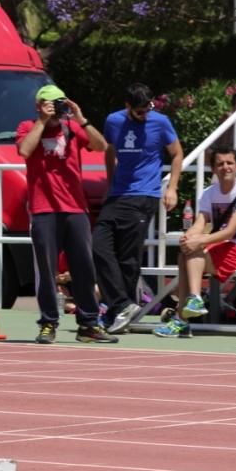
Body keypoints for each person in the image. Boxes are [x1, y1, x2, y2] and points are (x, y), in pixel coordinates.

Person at [16, 85, 118, 344]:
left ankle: (88, 324)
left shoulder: (72, 128)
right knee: (47, 269)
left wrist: (81, 119)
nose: (56, 108)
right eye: (51, 103)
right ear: (39, 105)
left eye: (59, 103)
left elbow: (100, 145)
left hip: (75, 208)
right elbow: (24, 151)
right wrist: (42, 121)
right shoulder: (28, 127)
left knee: (84, 267)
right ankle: (48, 322)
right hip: (43, 209)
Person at [93, 83, 184, 334]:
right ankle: (121, 305)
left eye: (148, 109)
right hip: (118, 194)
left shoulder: (160, 122)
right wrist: (109, 184)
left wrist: (172, 187)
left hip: (144, 195)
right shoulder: (113, 121)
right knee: (98, 246)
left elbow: (176, 154)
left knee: (128, 257)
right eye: (139, 112)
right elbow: (110, 150)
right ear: (127, 107)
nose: (144, 116)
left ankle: (119, 310)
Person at [154, 145, 236, 338]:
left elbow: (229, 232)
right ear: (213, 169)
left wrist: (199, 241)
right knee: (186, 250)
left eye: (229, 163)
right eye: (220, 164)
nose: (225, 167)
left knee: (194, 250)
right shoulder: (209, 192)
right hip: (218, 247)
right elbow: (200, 222)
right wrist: (189, 237)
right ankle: (185, 314)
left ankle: (188, 309)